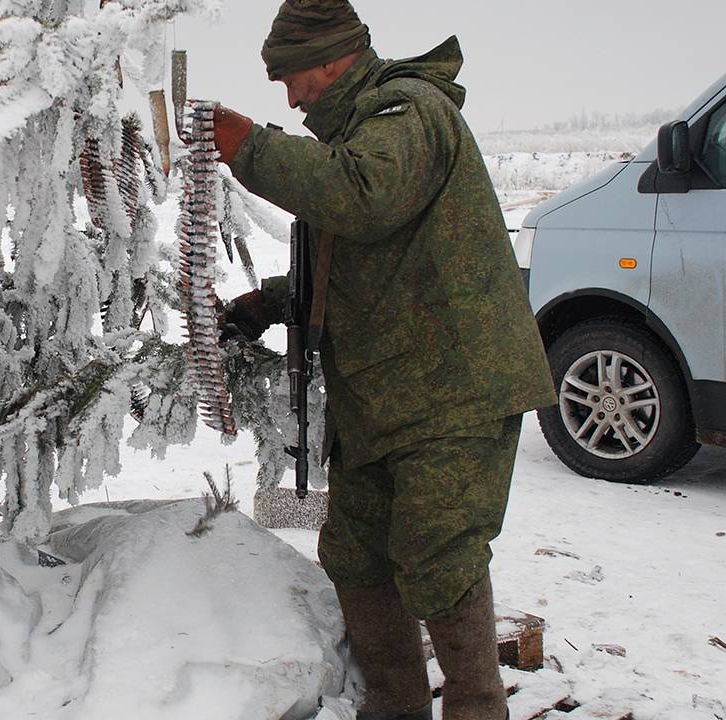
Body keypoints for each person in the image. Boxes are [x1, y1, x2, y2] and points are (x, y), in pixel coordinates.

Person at [213, 2, 556, 719]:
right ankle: (395, 706)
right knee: (356, 554)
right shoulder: (356, 136)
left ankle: (477, 708)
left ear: (332, 59)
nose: (290, 96)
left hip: (454, 388)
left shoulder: (408, 112)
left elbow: (364, 197)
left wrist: (250, 148)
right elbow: (356, 250)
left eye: (292, 77)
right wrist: (269, 301)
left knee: (439, 556)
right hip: (386, 394)